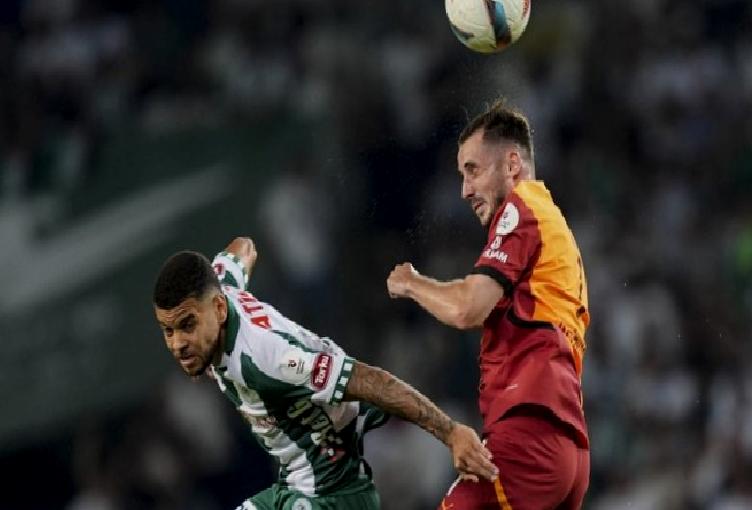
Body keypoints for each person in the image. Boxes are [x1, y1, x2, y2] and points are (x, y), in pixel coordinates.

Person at [152, 237, 497, 510]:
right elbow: (244, 246)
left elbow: (370, 380)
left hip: (333, 494)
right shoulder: (223, 288)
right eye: (168, 330)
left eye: (187, 325)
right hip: (295, 482)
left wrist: (451, 433)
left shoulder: (265, 359)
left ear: (218, 309)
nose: (178, 344)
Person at [387, 101, 590, 510]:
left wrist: (412, 283)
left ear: (512, 164)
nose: (464, 190)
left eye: (473, 170)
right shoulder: (554, 227)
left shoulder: (522, 208)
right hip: (566, 449)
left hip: (528, 437)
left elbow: (468, 307)